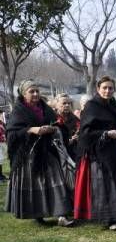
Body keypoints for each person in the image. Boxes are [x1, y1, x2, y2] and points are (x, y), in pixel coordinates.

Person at [5, 80, 73, 226]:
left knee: (57, 180)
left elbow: (57, 123)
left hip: (47, 151)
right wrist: (32, 130)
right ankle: (37, 214)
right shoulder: (19, 110)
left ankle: (62, 216)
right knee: (34, 186)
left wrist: (54, 128)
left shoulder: (46, 108)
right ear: (23, 94)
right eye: (32, 91)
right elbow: (11, 134)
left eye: (37, 91)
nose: (36, 94)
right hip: (27, 156)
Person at [74, 76, 116, 229]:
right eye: (104, 88)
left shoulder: (114, 105)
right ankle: (110, 218)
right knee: (106, 185)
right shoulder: (91, 106)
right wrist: (106, 133)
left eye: (110, 88)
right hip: (99, 153)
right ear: (98, 89)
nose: (108, 91)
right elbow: (85, 132)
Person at [54, 93, 80, 160]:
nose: (67, 105)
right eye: (64, 103)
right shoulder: (52, 118)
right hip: (58, 154)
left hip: (74, 153)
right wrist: (68, 140)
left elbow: (80, 130)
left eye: (69, 103)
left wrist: (78, 137)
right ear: (56, 105)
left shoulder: (75, 119)